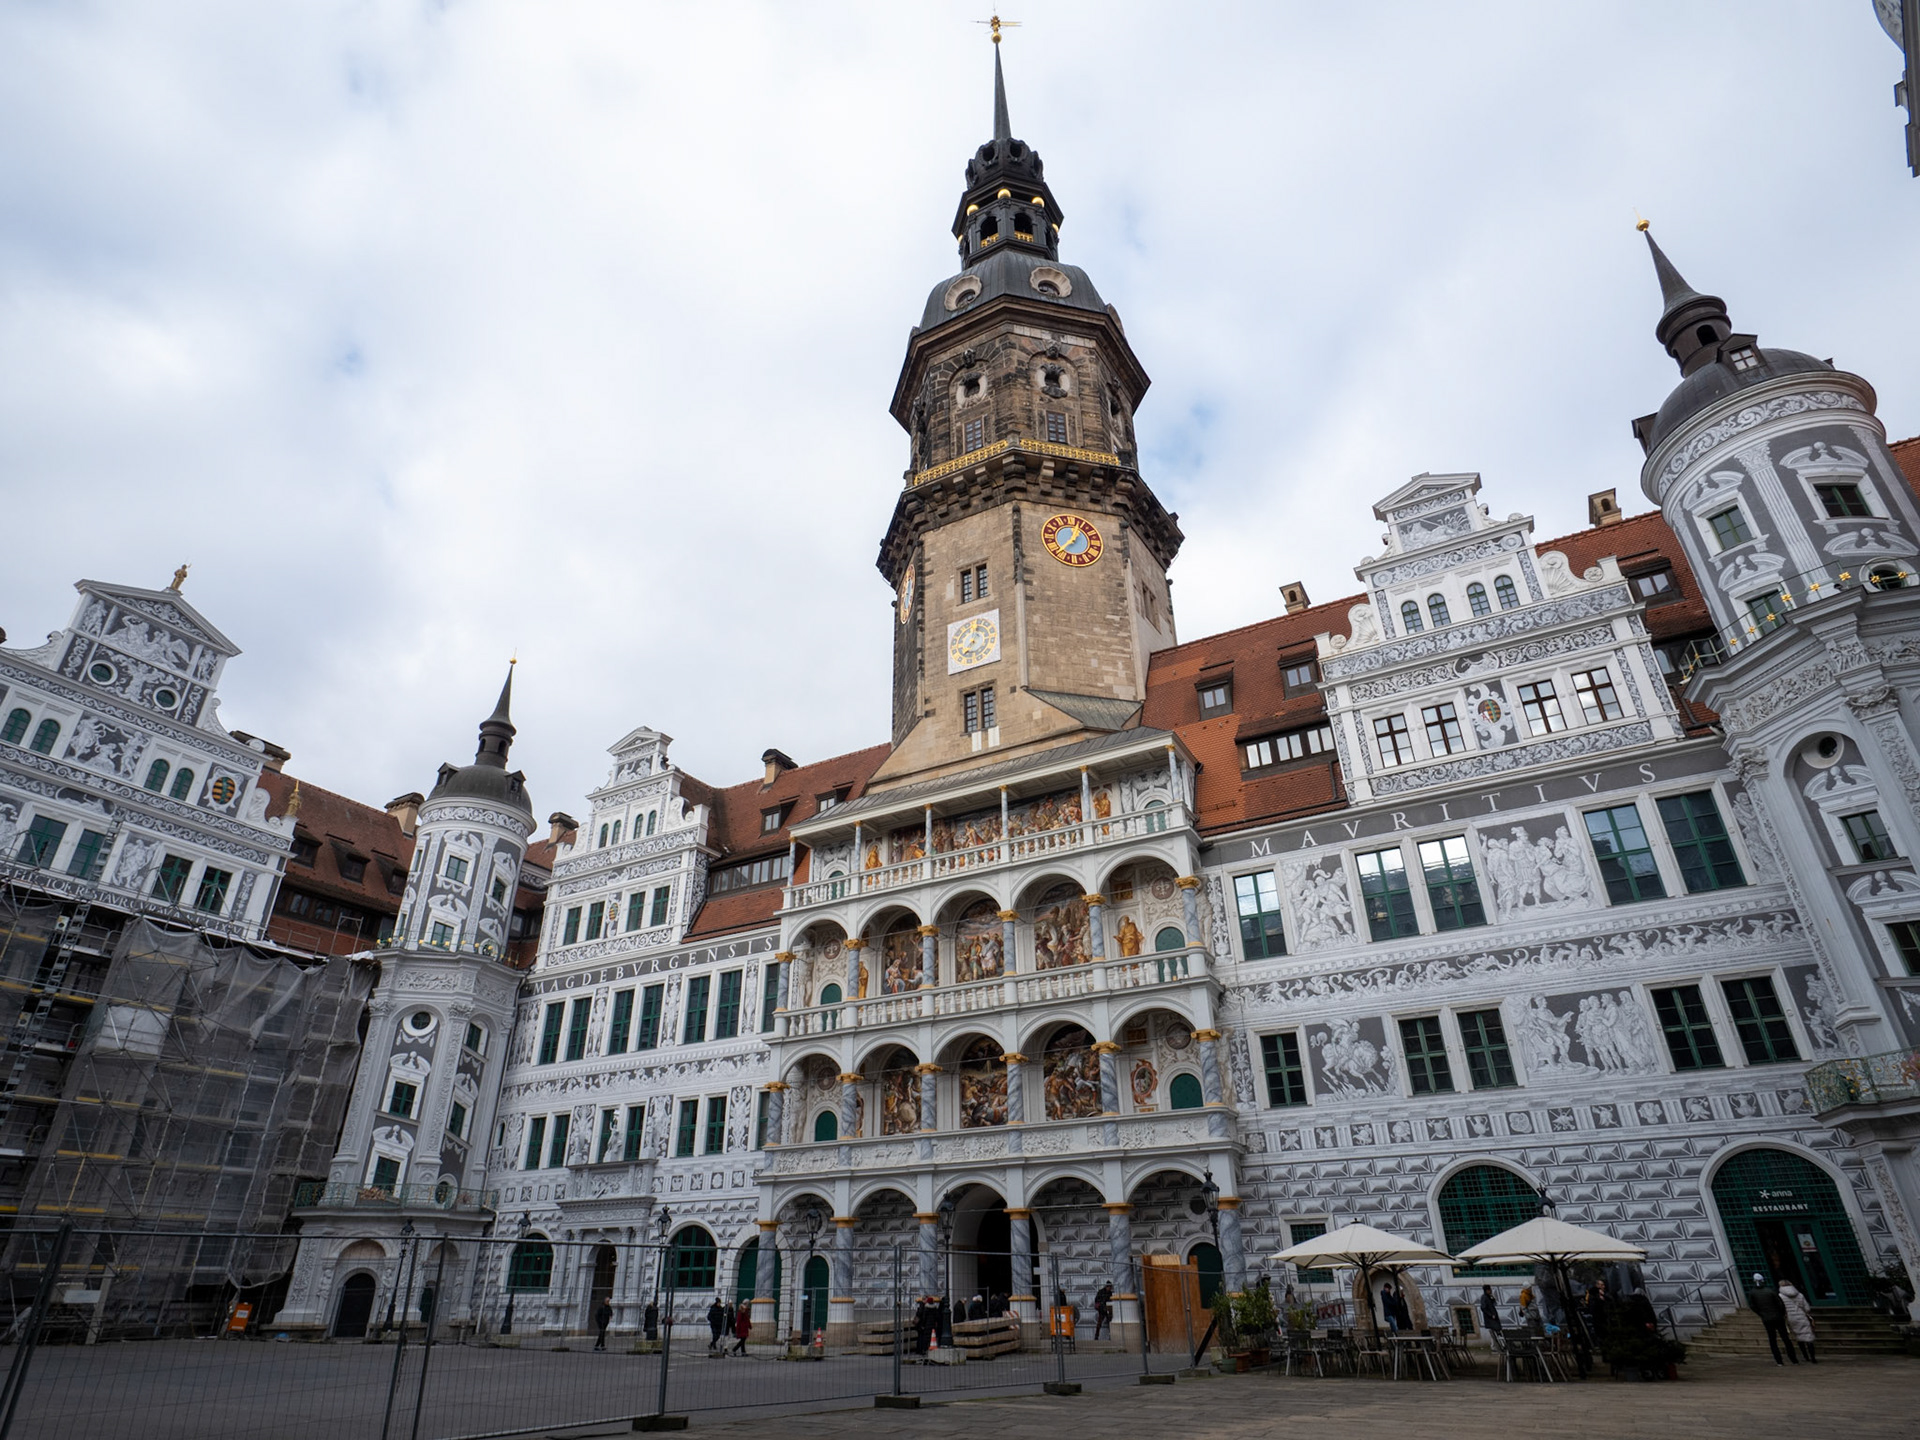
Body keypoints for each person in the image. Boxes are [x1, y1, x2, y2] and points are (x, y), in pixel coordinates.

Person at [1744, 1273, 1796, 1366]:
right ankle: (1793, 1359)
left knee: (1772, 1339)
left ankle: (1779, 1361)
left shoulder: (1752, 1293)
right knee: (1785, 1338)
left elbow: (1752, 1306)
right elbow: (1780, 1303)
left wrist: (1761, 1313)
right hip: (1777, 1317)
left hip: (1766, 1318)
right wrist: (1782, 1313)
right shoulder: (1770, 1291)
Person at [1778, 1280, 1817, 1363]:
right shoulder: (1799, 1295)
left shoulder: (1780, 1296)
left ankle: (1805, 1356)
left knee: (1798, 1336)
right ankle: (1813, 1357)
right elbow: (1807, 1308)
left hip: (1791, 1318)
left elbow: (1781, 1308)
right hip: (1802, 1316)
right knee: (1808, 1336)